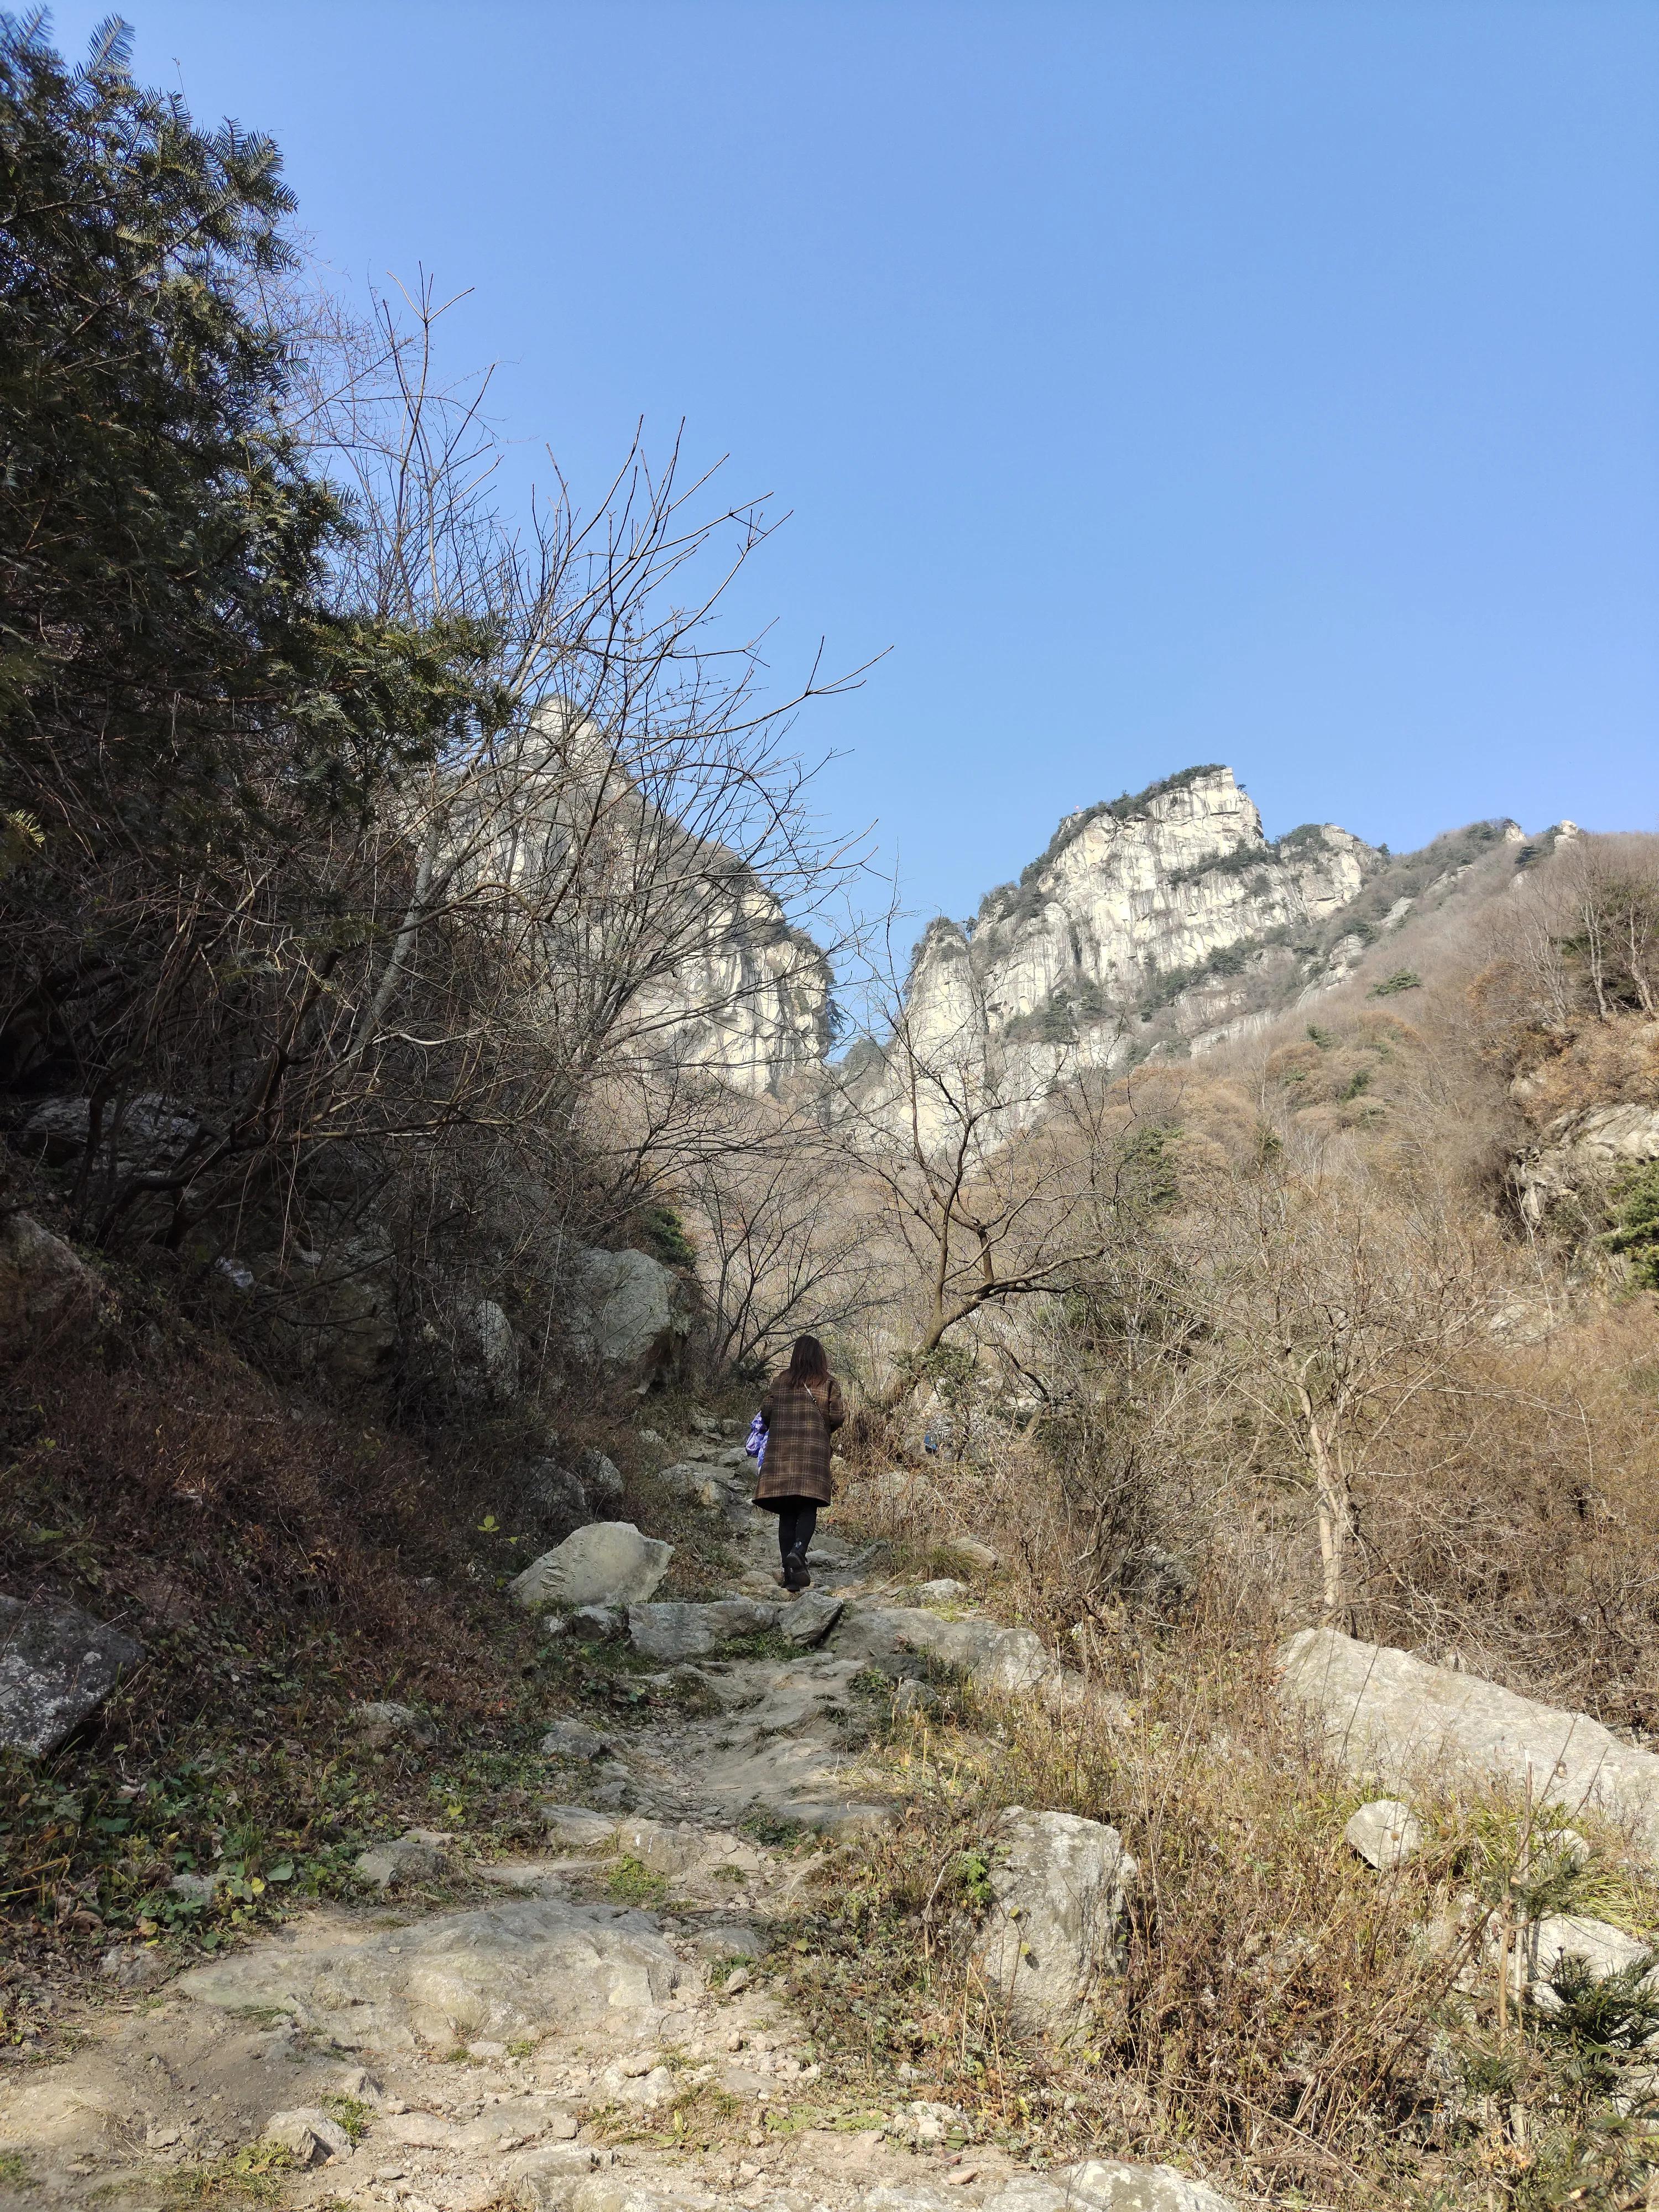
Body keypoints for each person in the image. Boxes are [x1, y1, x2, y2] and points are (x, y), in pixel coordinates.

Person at [754, 1334, 844, 1590]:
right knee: (807, 1508)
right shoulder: (827, 1382)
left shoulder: (780, 1381)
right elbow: (838, 1417)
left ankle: (790, 1576)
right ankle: (799, 1550)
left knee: (787, 1513)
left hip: (781, 1456)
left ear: (796, 1355)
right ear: (819, 1356)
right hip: (813, 1455)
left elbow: (767, 1412)